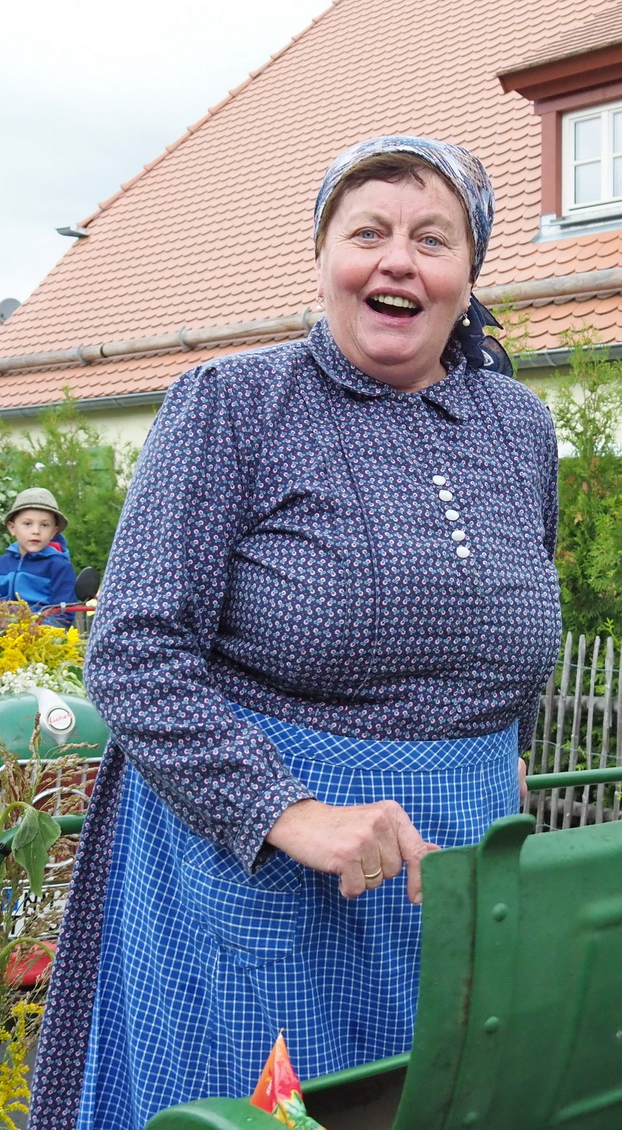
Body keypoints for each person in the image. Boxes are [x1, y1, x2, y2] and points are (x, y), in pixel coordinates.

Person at [30, 136, 561, 1130]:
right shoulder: (232, 404)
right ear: (322, 258)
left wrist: (510, 753)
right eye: (367, 233)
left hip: (449, 876)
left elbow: (514, 619)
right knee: (273, 1116)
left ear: (469, 274)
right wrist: (288, 811)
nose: (398, 260)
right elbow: (134, 652)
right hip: (263, 867)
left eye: (432, 239)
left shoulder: (520, 426)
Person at [0, 487, 78, 625]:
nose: (36, 531)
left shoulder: (60, 567)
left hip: (42, 634)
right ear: (12, 528)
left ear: (54, 531)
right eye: (27, 524)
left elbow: (63, 614)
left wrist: (34, 629)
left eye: (44, 525)